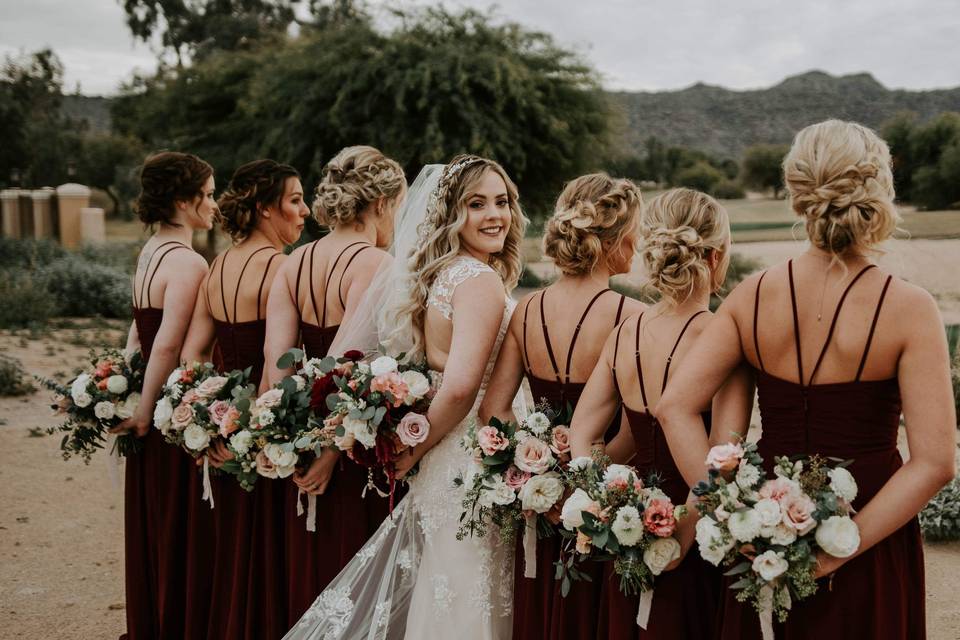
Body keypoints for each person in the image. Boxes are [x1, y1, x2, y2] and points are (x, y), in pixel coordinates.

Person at [657, 120, 956, 639]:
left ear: (797, 194)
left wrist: (732, 511)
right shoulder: (910, 309)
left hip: (766, 536)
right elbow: (934, 462)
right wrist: (839, 547)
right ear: (878, 192)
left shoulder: (752, 296)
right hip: (871, 536)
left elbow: (674, 407)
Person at [284, 154, 527, 640]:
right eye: (476, 204)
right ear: (453, 215)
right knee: (465, 591)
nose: (494, 215)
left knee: (444, 587)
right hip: (468, 460)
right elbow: (460, 387)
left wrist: (419, 444)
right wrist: (416, 445)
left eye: (501, 202)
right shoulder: (478, 281)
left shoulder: (444, 274)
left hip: (444, 460)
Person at [570, 188, 743, 638]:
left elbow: (582, 436)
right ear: (716, 256)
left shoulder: (627, 330)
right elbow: (722, 462)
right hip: (693, 533)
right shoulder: (722, 336)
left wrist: (612, 507)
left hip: (626, 535)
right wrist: (676, 539)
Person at [478, 173, 644, 640]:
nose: (638, 242)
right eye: (634, 230)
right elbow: (633, 432)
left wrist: (540, 479)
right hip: (604, 506)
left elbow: (494, 410)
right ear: (611, 242)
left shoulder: (527, 309)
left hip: (541, 507)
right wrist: (582, 488)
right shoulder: (629, 317)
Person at [261, 146, 406, 626]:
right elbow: (345, 368)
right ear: (381, 204)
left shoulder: (293, 262)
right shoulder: (376, 264)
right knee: (353, 573)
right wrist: (327, 454)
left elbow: (275, 364)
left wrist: (276, 438)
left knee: (311, 564)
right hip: (348, 451)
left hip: (301, 442)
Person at [179, 158, 308, 638]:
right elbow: (282, 363)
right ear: (263, 209)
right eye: (294, 200)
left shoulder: (217, 267)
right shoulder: (281, 266)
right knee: (269, 549)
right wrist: (253, 431)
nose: (305, 211)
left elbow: (192, 356)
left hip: (223, 432)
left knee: (234, 547)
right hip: (268, 433)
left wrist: (205, 424)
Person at [114, 151, 215, 639]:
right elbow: (168, 345)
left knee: (154, 520)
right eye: (210, 195)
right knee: (179, 524)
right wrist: (143, 411)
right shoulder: (189, 263)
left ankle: (153, 622)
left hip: (148, 398)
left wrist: (118, 382)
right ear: (183, 201)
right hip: (168, 412)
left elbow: (137, 335)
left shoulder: (150, 251)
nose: (216, 205)